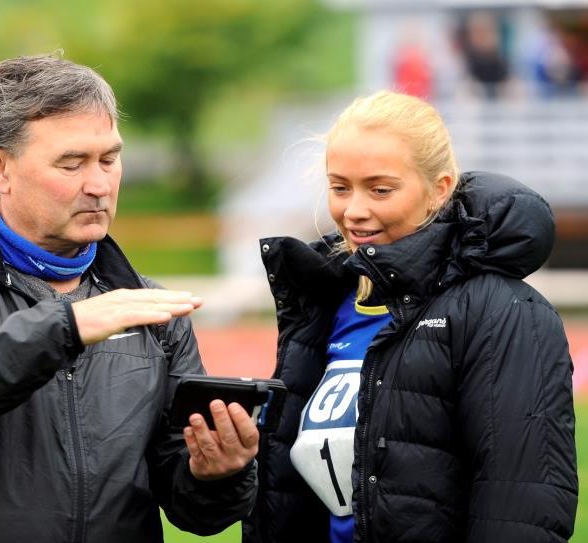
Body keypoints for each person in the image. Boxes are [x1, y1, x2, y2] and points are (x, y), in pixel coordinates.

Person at [0, 54, 258, 543]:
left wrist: (217, 474)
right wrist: (65, 328)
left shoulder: (148, 307)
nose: (100, 184)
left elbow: (194, 512)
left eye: (109, 158)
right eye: (71, 163)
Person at [243, 90, 577, 542]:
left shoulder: (503, 312)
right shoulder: (324, 306)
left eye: (381, 189)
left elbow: (520, 509)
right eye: (340, 187)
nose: (354, 210)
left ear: (439, 189)